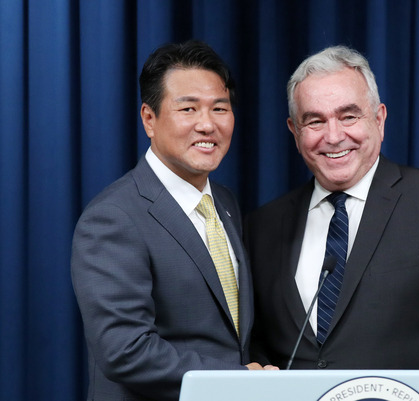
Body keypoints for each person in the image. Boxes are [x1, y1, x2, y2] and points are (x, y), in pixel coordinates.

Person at [244, 45, 419, 370]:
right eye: (315, 121)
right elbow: (258, 348)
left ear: (379, 119)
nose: (333, 136)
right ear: (295, 132)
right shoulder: (262, 226)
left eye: (348, 116)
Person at [71, 40, 276, 401]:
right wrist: (238, 380)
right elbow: (126, 351)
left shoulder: (224, 202)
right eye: (188, 109)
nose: (207, 124)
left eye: (220, 108)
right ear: (149, 119)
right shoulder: (113, 217)